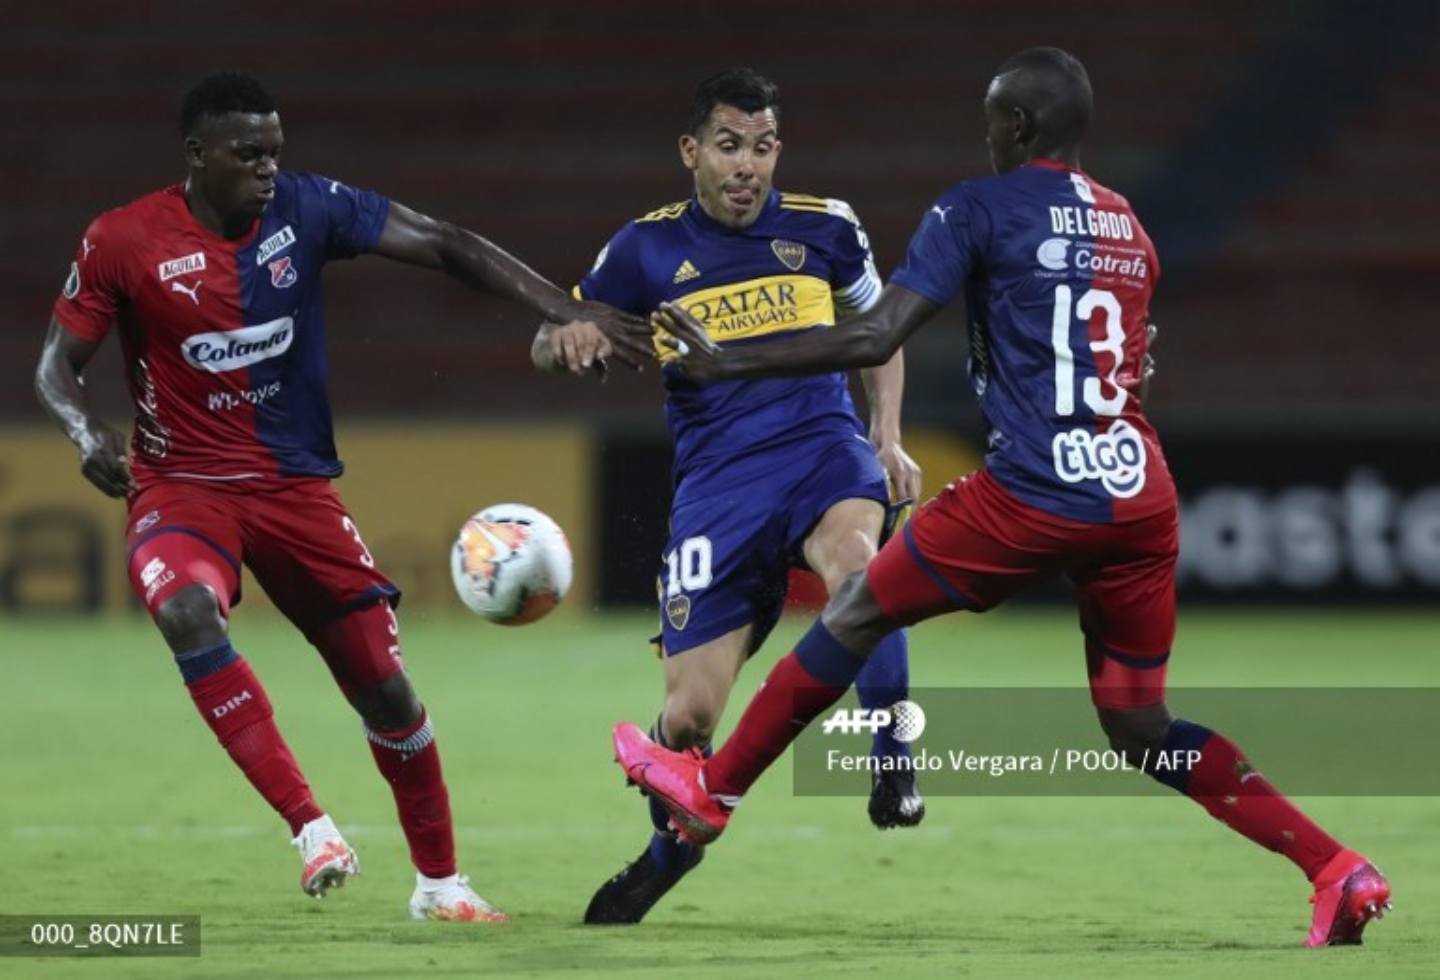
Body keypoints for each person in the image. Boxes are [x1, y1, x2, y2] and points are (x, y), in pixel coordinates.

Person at [613, 48, 1392, 947]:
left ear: (1016, 128)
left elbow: (876, 334)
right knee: (1142, 723)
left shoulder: (975, 206)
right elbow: (1138, 361)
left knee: (857, 606)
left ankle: (713, 794)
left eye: (990, 120)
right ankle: (1337, 868)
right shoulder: (1128, 224)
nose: (983, 135)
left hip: (1032, 492)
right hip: (1138, 496)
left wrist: (725, 359)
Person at [34, 72, 651, 923]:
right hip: (184, 489)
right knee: (186, 611)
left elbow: (443, 241)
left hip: (296, 491)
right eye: (248, 155)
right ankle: (311, 827)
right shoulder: (122, 240)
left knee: (386, 692)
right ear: (197, 155)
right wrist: (82, 432)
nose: (267, 170)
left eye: (275, 152)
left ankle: (441, 884)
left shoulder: (308, 208)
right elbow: (55, 366)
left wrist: (565, 307)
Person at [532, 67, 925, 925]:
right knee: (688, 715)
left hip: (824, 453)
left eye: (763, 146)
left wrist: (884, 435)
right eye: (729, 146)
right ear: (691, 152)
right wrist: (565, 344)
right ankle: (661, 862)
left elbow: (881, 334)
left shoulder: (827, 229)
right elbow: (552, 330)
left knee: (864, 571)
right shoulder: (641, 249)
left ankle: (894, 747)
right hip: (719, 488)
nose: (748, 165)